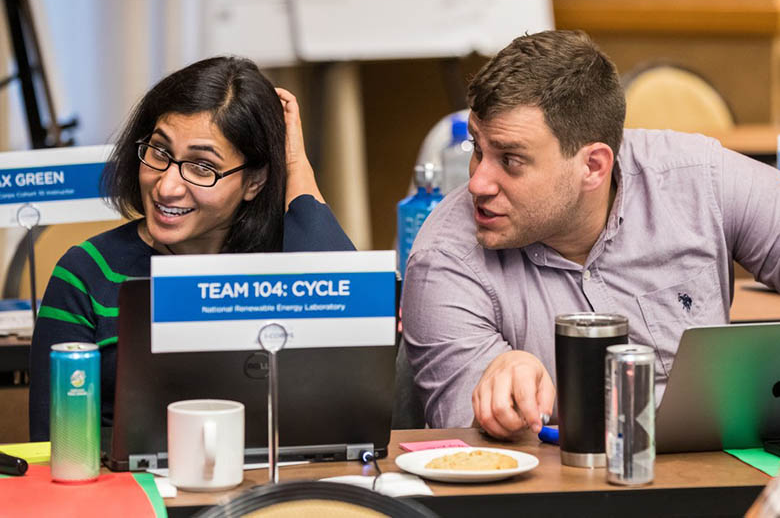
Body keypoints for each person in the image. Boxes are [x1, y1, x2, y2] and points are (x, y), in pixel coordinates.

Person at [401, 30, 780, 440]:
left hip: (728, 477)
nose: (477, 182)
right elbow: (471, 454)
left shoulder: (698, 180)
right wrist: (498, 399)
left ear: (594, 166)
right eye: (479, 148)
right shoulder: (444, 260)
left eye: (510, 160)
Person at [29, 56, 354, 441]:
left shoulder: (285, 265)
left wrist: (296, 167)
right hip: (134, 493)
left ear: (254, 181)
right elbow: (54, 442)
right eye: (159, 152)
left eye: (202, 167)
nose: (167, 186)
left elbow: (353, 355)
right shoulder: (87, 273)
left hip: (270, 496)